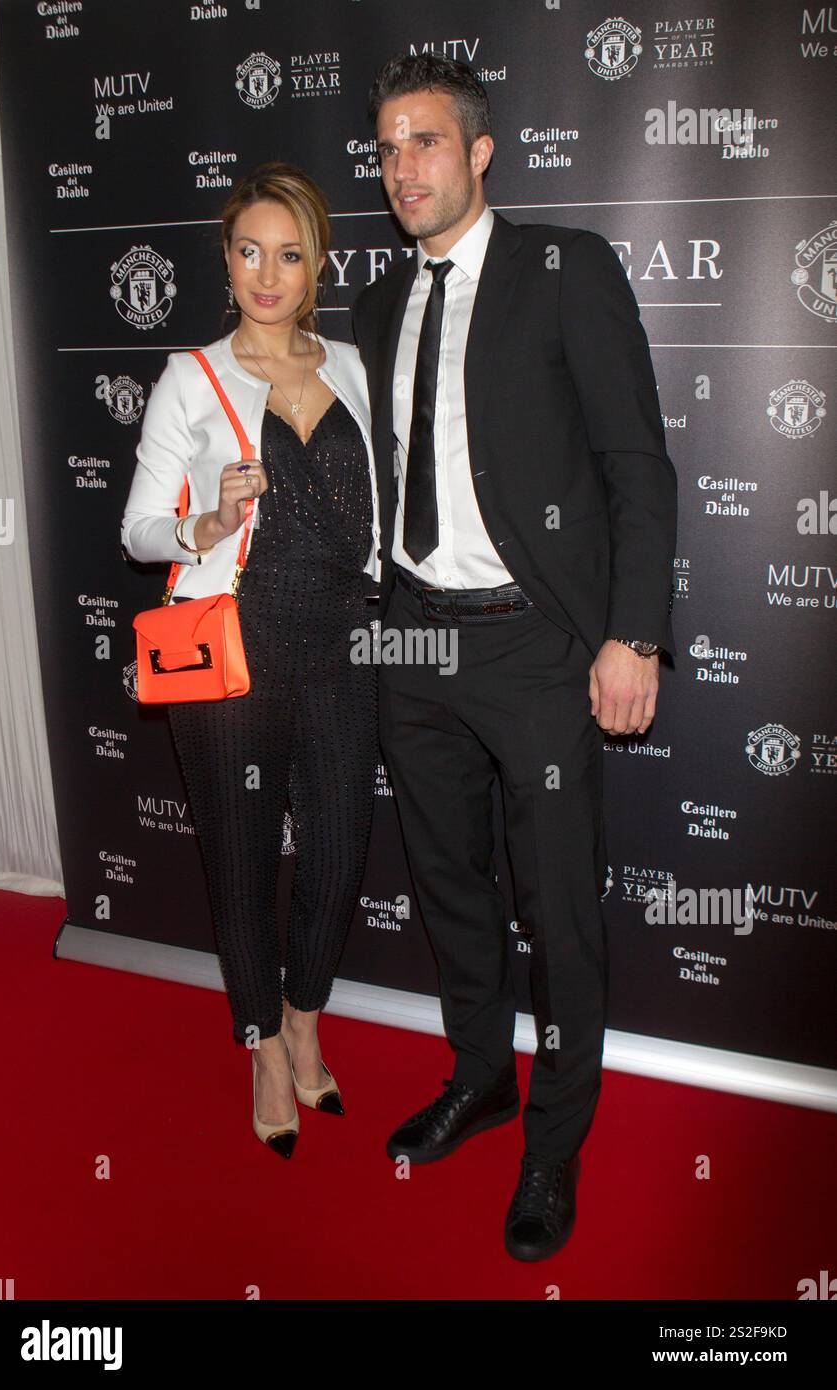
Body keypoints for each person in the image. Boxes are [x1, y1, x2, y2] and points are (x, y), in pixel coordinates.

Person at [351, 55, 677, 1259]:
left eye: (424, 142)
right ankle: (480, 1075)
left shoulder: (562, 271)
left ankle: (554, 1137)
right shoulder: (380, 303)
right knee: (448, 887)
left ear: (480, 152)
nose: (402, 169)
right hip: (413, 635)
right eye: (386, 148)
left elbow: (636, 467)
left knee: (556, 909)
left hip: (538, 646)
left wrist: (629, 631)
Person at [121, 163, 381, 1159]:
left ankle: (305, 1016)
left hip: (340, 645)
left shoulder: (352, 365)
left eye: (288, 254)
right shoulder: (193, 376)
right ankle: (265, 1049)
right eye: (247, 251)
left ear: (316, 263)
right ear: (225, 260)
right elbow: (140, 527)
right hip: (234, 652)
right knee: (238, 864)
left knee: (340, 848)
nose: (266, 274)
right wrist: (211, 519)